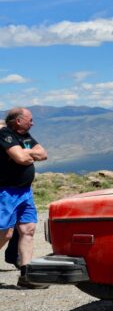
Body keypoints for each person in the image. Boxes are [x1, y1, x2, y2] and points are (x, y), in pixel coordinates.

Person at [0, 107, 49, 288]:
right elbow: (21, 159)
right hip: (6, 192)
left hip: (25, 192)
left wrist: (24, 153)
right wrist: (26, 154)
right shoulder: (4, 134)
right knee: (5, 234)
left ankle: (26, 277)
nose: (33, 123)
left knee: (28, 230)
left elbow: (43, 153)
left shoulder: (25, 136)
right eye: (30, 119)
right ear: (18, 121)